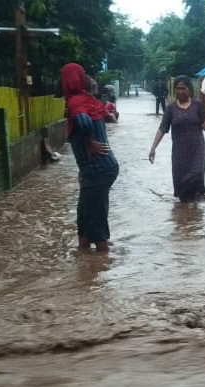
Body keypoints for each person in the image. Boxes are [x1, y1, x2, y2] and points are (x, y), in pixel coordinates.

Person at [61, 63, 119, 252]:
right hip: (97, 168)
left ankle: (102, 261)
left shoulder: (76, 101)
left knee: (94, 216)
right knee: (84, 214)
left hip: (97, 169)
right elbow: (109, 117)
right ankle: (84, 254)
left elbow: (84, 123)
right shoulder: (88, 100)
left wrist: (88, 143)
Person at [148, 75, 205, 202]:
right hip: (179, 151)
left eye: (183, 88)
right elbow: (162, 128)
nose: (180, 91)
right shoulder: (171, 109)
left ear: (189, 89)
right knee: (182, 185)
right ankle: (185, 217)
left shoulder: (197, 106)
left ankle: (195, 215)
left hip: (197, 149)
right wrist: (153, 148)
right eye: (178, 89)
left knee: (196, 175)